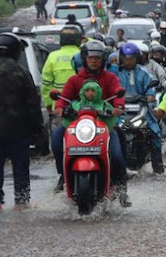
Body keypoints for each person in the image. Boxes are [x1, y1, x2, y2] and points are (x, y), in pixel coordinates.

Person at [52, 40, 131, 207]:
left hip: (104, 124)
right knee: (56, 139)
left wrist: (118, 107)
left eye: (97, 57)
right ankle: (63, 175)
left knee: (117, 154)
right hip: (78, 125)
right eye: (90, 57)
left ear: (103, 59)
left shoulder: (110, 78)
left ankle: (122, 188)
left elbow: (118, 94)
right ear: (84, 58)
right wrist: (61, 110)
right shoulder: (75, 80)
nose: (94, 60)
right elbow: (62, 101)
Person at [0, 33, 44, 211]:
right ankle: (21, 202)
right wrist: (37, 129)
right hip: (19, 131)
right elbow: (32, 104)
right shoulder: (22, 73)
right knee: (21, 167)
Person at [117, 43, 164, 174]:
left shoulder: (144, 73)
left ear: (137, 58)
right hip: (121, 109)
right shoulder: (117, 73)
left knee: (155, 132)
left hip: (142, 108)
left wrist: (150, 95)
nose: (128, 61)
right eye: (126, 58)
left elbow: (150, 87)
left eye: (131, 58)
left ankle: (158, 164)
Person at [41, 26, 82, 116]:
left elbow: (46, 85)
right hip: (84, 107)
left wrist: (49, 105)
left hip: (59, 109)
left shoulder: (53, 56)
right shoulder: (84, 55)